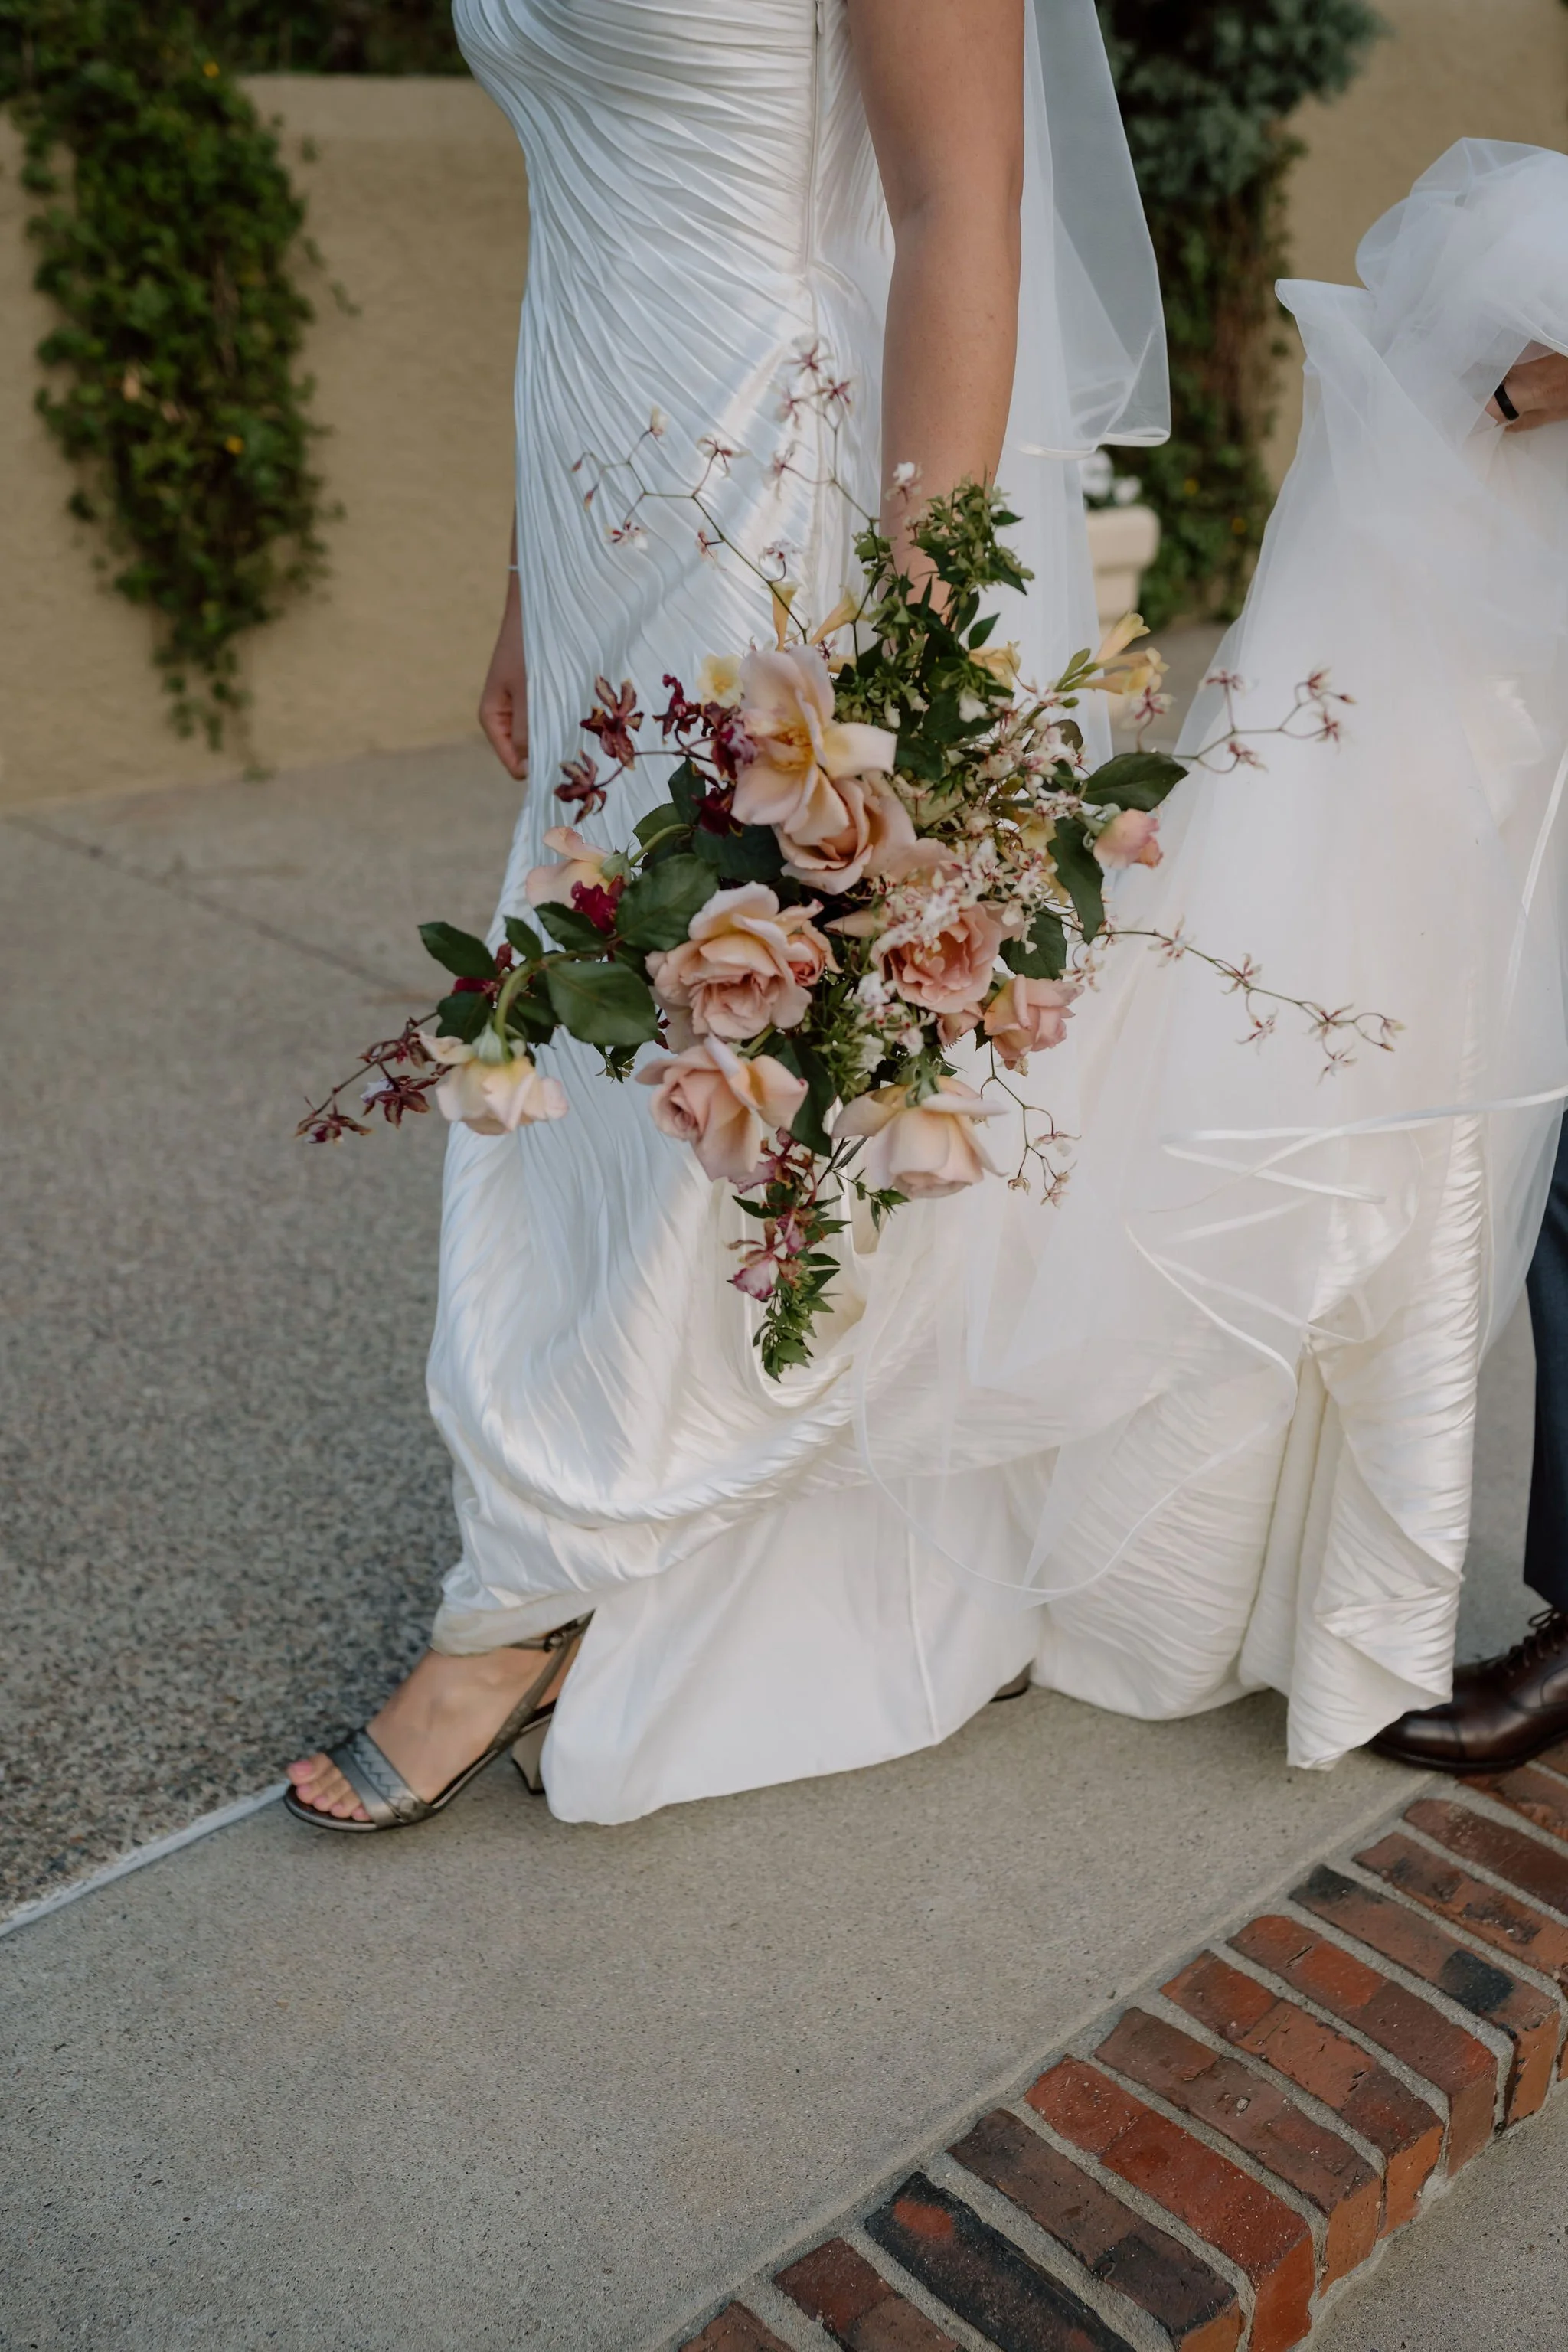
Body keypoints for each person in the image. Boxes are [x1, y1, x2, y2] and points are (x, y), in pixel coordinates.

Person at [288, 46, 1568, 1831]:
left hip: (780, 494)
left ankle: (535, 1584)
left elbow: (957, 205)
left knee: (729, 1019)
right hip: (609, 477)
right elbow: (582, 215)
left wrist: (909, 634)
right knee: (593, 1012)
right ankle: (611, 1514)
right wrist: (529, 571)